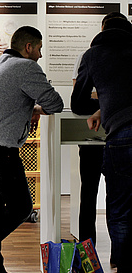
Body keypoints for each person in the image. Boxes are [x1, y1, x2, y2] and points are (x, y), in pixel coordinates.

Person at [0, 26, 63, 273]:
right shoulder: (27, 67)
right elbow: (55, 104)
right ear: (28, 47)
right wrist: (34, 109)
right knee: (21, 207)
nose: (40, 55)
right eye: (39, 48)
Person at [71, 15, 132, 271]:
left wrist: (103, 107)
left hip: (119, 134)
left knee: (115, 208)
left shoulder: (93, 55)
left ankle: (115, 261)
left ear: (102, 29)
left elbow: (77, 103)